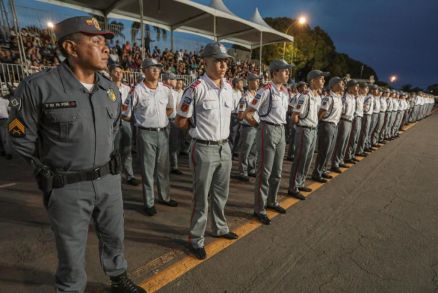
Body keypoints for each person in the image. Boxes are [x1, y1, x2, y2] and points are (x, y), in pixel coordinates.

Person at [8, 16, 145, 292]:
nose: (106, 48)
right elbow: (19, 139)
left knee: (114, 236)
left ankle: (118, 277)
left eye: (105, 42)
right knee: (71, 249)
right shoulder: (39, 87)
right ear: (71, 48)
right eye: (96, 42)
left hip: (108, 180)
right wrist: (46, 175)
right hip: (67, 185)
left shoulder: (110, 90)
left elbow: (116, 131)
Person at [175, 42, 238, 260]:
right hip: (203, 148)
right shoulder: (196, 88)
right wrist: (195, 131)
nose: (223, 65)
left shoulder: (229, 88)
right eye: (218, 60)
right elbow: (180, 120)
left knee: (221, 194)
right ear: (206, 62)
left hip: (224, 147)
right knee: (201, 198)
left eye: (225, 61)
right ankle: (196, 238)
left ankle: (220, 228)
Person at [123, 58, 178, 216]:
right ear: (144, 71)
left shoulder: (165, 89)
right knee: (148, 170)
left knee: (163, 168)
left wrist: (159, 119)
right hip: (145, 133)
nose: (155, 71)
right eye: (151, 68)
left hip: (163, 131)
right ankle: (149, 202)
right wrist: (143, 121)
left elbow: (170, 108)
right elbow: (126, 113)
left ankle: (165, 197)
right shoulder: (137, 90)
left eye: (158, 68)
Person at [244, 59, 293, 225]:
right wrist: (259, 127)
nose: (288, 73)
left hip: (281, 130)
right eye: (284, 70)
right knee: (264, 171)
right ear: (274, 73)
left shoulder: (285, 91)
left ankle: (272, 201)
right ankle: (259, 208)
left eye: (288, 71)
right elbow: (248, 113)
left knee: (277, 171)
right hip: (268, 129)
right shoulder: (265, 90)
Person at [287, 70, 329, 200]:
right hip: (304, 130)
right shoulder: (304, 96)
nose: (323, 81)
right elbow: (295, 116)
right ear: (312, 81)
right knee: (300, 159)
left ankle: (301, 182)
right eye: (321, 79)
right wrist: (300, 126)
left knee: (308, 159)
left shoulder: (318, 97)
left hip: (313, 129)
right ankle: (293, 187)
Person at [110, 64, 139, 186]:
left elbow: (134, 105)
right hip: (113, 124)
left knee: (127, 150)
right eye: (116, 72)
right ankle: (115, 175)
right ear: (111, 73)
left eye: (120, 72)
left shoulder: (128, 89)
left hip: (126, 122)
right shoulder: (107, 88)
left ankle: (129, 175)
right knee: (114, 150)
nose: (118, 74)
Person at [311, 76, 344, 182]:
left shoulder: (338, 98)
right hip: (327, 125)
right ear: (334, 85)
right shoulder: (328, 98)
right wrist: (319, 124)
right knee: (324, 151)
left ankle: (323, 170)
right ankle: (317, 173)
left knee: (329, 150)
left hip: (334, 125)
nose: (343, 85)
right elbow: (321, 113)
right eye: (341, 83)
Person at [236, 72, 260, 181]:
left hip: (256, 126)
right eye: (256, 80)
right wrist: (251, 120)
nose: (258, 82)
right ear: (250, 82)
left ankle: (251, 169)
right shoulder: (245, 97)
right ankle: (243, 171)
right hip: (248, 127)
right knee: (245, 150)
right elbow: (240, 115)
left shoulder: (257, 95)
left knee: (254, 150)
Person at [331, 79, 358, 172]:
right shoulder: (344, 98)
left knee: (345, 142)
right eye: (355, 86)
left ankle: (340, 160)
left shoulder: (353, 98)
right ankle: (335, 163)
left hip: (350, 120)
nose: (357, 88)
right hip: (343, 120)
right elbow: (341, 111)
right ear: (350, 88)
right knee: (340, 143)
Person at [163, 72, 184, 175]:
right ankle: (166, 166)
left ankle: (174, 166)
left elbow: (177, 107)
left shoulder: (174, 92)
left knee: (173, 144)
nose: (176, 81)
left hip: (173, 120)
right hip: (166, 121)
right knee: (165, 145)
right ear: (168, 80)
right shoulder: (162, 90)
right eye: (174, 79)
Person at [230, 77, 244, 156]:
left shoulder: (240, 92)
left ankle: (235, 150)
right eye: (241, 83)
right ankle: (230, 152)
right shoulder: (231, 92)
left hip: (240, 114)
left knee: (238, 134)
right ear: (236, 84)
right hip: (233, 115)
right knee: (232, 134)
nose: (242, 85)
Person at [0, 88, 12, 159]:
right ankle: (2, 151)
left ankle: (8, 152)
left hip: (3, 120)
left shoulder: (4, 100)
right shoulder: (4, 100)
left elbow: (10, 109)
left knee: (4, 136)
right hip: (4, 119)